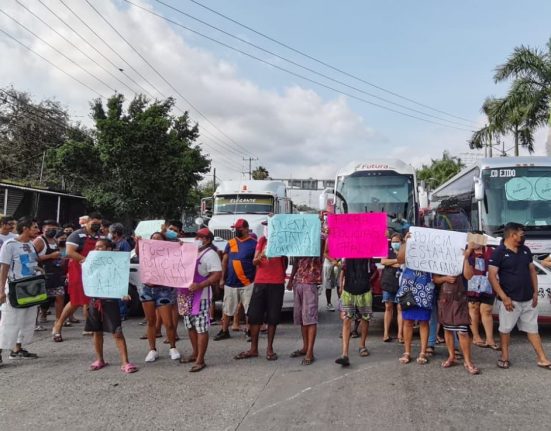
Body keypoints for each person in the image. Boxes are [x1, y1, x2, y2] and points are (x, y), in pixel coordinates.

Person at [488, 222, 551, 370]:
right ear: (512, 235)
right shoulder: (499, 252)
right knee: (505, 330)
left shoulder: (525, 250)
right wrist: (504, 297)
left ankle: (542, 358)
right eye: (522, 234)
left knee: (533, 329)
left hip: (528, 299)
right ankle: (504, 357)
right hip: (510, 301)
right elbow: (492, 276)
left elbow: (532, 271)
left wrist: (535, 292)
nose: (524, 237)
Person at [234, 219, 287, 361]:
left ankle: (270, 349)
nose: (267, 228)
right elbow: (254, 261)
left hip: (276, 282)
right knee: (254, 316)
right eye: (266, 226)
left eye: (269, 226)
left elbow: (285, 260)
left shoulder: (282, 241)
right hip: (261, 281)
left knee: (273, 317)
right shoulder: (262, 240)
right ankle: (254, 348)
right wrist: (261, 255)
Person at [85, 238, 137, 373]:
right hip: (94, 301)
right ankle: (99, 359)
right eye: (96, 247)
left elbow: (120, 279)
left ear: (108, 249)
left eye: (100, 247)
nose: (97, 249)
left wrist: (123, 293)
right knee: (96, 332)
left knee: (117, 332)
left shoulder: (116, 263)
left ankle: (125, 362)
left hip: (110, 301)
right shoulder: (91, 262)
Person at [51, 213, 103, 342]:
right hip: (78, 270)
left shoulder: (100, 236)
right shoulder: (76, 235)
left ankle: (90, 326)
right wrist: (87, 261)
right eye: (94, 223)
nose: (96, 225)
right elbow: (69, 252)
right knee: (75, 301)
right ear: (87, 222)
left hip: (95, 271)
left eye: (99, 223)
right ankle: (58, 325)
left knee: (91, 299)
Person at [178, 228, 222, 372]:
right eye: (196, 236)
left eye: (201, 237)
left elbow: (217, 274)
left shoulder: (211, 254)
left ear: (208, 240)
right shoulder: (191, 251)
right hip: (185, 295)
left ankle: (200, 360)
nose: (197, 239)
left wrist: (200, 285)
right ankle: (195, 353)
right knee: (190, 325)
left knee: (201, 327)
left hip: (201, 296)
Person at [0, 217, 41, 362]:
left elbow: (31, 263)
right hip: (14, 287)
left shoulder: (30, 244)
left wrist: (38, 270)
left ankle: (17, 349)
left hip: (29, 287)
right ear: (25, 228)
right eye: (35, 227)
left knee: (26, 320)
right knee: (9, 320)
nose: (38, 230)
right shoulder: (9, 245)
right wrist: (1, 291)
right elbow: (4, 268)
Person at [136, 232, 181, 362]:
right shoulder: (146, 253)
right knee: (151, 321)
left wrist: (180, 246)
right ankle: (152, 350)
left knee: (168, 323)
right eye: (153, 238)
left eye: (158, 238)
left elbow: (180, 257)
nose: (155, 240)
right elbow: (139, 252)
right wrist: (138, 242)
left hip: (163, 290)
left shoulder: (168, 253)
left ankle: (172, 347)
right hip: (147, 289)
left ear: (164, 241)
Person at [214, 219, 257, 341]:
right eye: (236, 228)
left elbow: (257, 264)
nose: (237, 230)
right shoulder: (231, 242)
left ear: (246, 229)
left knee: (249, 309)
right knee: (227, 308)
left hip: (248, 282)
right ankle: (224, 330)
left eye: (239, 228)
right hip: (231, 282)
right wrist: (222, 278)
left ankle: (249, 331)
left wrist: (256, 280)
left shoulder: (254, 244)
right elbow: (225, 261)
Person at [395, 232, 434, 365]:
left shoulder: (431, 251)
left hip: (425, 289)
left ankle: (423, 352)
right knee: (408, 321)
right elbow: (400, 259)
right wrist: (405, 243)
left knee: (424, 321)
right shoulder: (408, 247)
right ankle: (407, 352)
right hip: (409, 290)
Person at [288, 236, 325, 366]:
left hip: (310, 283)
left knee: (310, 318)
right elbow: (296, 262)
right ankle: (305, 347)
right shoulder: (300, 240)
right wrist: (291, 279)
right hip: (298, 282)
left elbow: (322, 244)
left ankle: (310, 352)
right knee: (302, 318)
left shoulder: (319, 239)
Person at [434, 271, 480, 375]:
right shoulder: (440, 261)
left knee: (462, 331)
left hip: (460, 299)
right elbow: (435, 279)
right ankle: (451, 356)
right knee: (447, 329)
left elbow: (469, 275)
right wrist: (445, 278)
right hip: (445, 298)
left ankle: (468, 361)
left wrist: (466, 260)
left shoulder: (463, 260)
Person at [335, 257, 377, 366]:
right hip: (348, 291)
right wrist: (341, 285)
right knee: (346, 320)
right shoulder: (347, 255)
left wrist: (368, 281)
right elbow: (343, 270)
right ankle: (344, 354)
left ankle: (362, 346)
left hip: (365, 292)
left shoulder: (368, 256)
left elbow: (375, 270)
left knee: (365, 319)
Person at [464, 238, 498, 350]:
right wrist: (469, 250)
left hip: (488, 285)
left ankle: (490, 339)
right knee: (473, 309)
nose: (476, 242)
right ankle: (476, 336)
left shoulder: (491, 251)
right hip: (472, 286)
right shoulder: (467, 251)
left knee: (487, 310)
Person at [33, 220, 65, 323]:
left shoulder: (55, 240)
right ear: (43, 229)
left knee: (60, 296)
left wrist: (60, 259)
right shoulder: (39, 241)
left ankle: (58, 321)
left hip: (56, 273)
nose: (52, 231)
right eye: (49, 229)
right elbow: (32, 258)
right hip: (42, 274)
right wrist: (50, 256)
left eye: (54, 229)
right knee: (39, 299)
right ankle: (36, 321)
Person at [380, 233, 403, 343]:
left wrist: (390, 263)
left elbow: (404, 262)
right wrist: (396, 261)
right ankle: (386, 334)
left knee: (400, 308)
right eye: (393, 241)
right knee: (388, 307)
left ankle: (400, 334)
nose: (395, 243)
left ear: (401, 242)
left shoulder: (404, 251)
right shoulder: (387, 250)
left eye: (397, 241)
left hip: (401, 283)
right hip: (388, 282)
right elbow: (383, 261)